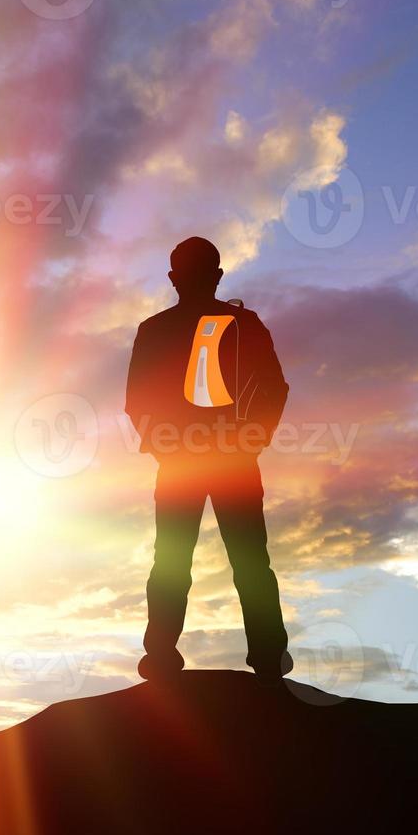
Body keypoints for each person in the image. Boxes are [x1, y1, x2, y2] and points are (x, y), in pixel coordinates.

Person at [125, 237, 292, 681]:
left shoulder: (156, 329)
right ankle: (268, 657)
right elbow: (275, 390)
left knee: (175, 560)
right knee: (248, 560)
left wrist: (165, 444)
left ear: (174, 278)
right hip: (224, 458)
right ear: (216, 276)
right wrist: (249, 441)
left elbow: (137, 402)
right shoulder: (242, 324)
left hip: (189, 460)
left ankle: (161, 655)